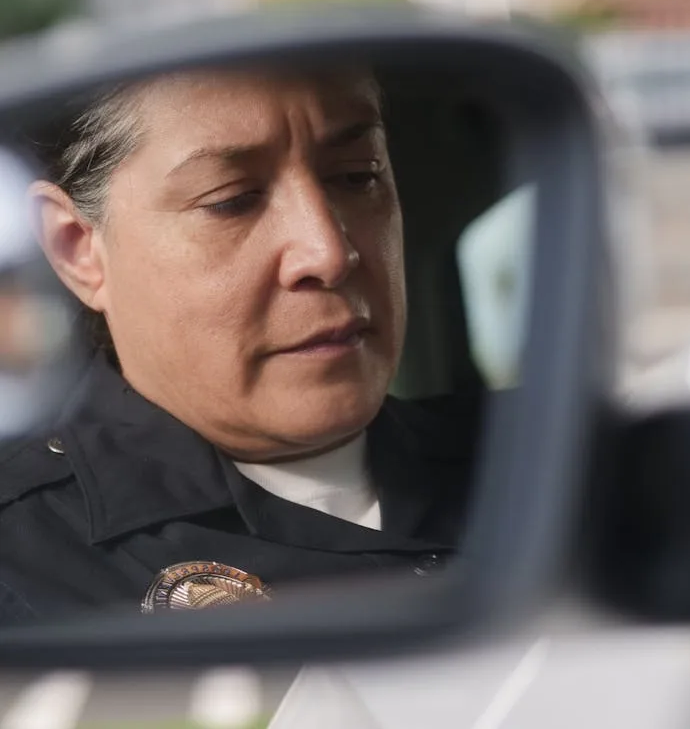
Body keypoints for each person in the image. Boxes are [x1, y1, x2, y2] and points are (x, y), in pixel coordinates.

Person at [0, 65, 480, 623]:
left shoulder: (555, 457)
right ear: (78, 248)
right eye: (232, 200)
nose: (328, 252)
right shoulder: (23, 566)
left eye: (356, 176)